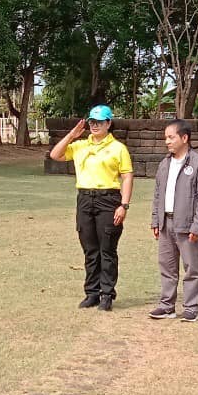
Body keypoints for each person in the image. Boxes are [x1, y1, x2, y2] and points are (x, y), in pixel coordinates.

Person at [48, 105, 134, 311]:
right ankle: (92, 293)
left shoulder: (118, 148)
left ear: (108, 123)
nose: (95, 126)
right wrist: (71, 134)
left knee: (107, 249)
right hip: (85, 198)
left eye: (100, 122)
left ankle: (107, 295)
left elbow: (127, 176)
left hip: (108, 199)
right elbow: (55, 155)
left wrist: (124, 204)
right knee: (90, 250)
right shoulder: (80, 146)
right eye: (92, 122)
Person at [148, 119, 198, 323]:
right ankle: (167, 305)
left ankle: (191, 307)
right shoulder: (165, 163)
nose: (167, 141)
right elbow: (158, 193)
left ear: (184, 138)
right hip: (166, 222)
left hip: (187, 224)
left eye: (171, 137)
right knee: (166, 266)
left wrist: (197, 225)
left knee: (191, 267)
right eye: (165, 137)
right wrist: (155, 220)